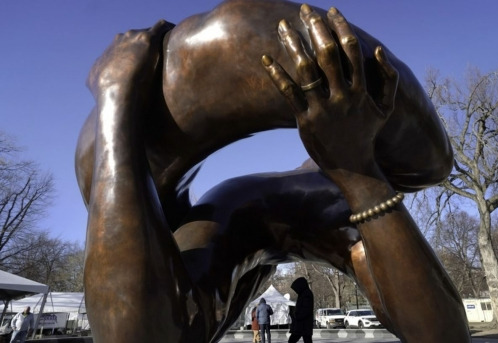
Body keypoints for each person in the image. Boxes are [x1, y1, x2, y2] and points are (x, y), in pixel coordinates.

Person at [75, 1, 470, 342]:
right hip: (238, 219)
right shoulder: (235, 225)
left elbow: (444, 337)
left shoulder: (326, 215)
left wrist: (115, 94)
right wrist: (356, 169)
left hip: (248, 214)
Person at [288, 277, 314, 343]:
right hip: (303, 325)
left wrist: (296, 315)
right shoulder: (304, 293)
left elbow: (306, 310)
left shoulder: (306, 294)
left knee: (292, 340)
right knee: (307, 340)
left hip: (303, 324)